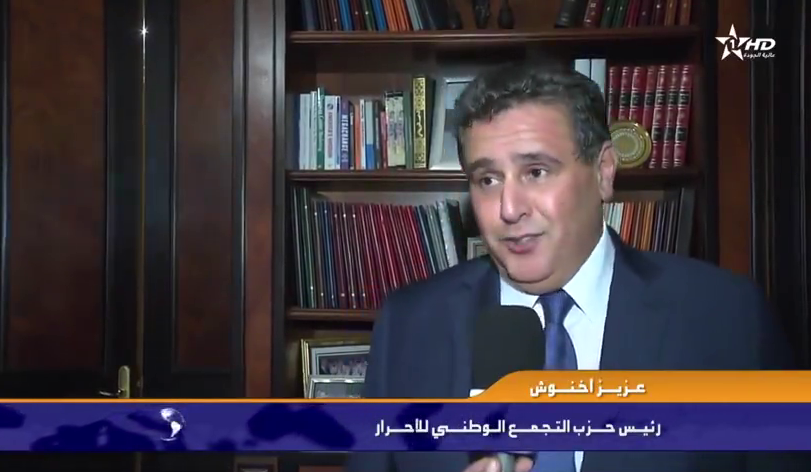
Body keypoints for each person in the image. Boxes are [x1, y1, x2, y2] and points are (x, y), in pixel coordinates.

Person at [345, 61, 804, 472]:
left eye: (536, 172)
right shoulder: (411, 323)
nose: (508, 208)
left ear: (603, 172)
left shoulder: (726, 318)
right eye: (487, 179)